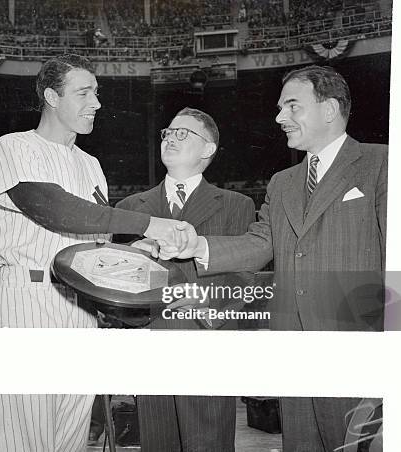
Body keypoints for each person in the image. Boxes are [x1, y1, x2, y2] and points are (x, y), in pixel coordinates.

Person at [160, 66, 387, 451]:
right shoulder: (283, 181)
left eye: (292, 106)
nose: (280, 118)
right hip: (293, 350)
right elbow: (261, 241)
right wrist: (197, 246)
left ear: (329, 109)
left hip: (357, 351)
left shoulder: (382, 163)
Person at [0, 53, 187, 452]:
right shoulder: (13, 147)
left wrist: (140, 251)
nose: (96, 103)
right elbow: (52, 208)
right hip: (27, 301)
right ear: (52, 97)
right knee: (23, 440)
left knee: (71, 441)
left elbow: (97, 247)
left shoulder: (91, 165)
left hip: (80, 307)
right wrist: (148, 224)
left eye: (97, 93)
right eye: (84, 93)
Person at [116, 107, 255, 452]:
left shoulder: (237, 204)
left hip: (206, 346)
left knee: (208, 445)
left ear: (208, 149)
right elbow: (116, 280)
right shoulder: (131, 205)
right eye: (167, 132)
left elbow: (242, 275)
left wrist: (207, 302)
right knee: (158, 442)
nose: (170, 139)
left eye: (183, 134)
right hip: (149, 346)